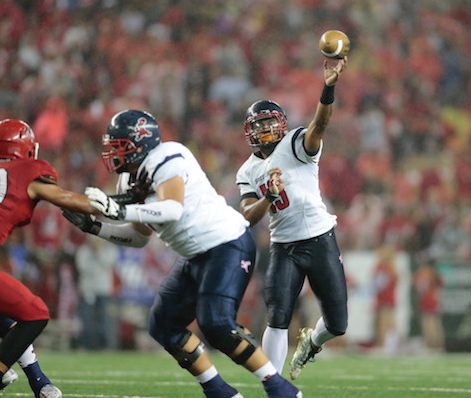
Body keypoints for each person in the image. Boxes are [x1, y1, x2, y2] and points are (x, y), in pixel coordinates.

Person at [62, 109, 302, 398]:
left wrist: (118, 209)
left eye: (120, 145)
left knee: (216, 323)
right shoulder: (128, 182)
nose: (113, 152)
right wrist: (96, 227)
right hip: (194, 255)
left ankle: (281, 389)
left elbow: (172, 208)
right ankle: (218, 390)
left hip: (226, 242)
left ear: (141, 142)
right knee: (163, 325)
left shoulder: (168, 157)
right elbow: (139, 236)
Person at [236, 57, 348, 380]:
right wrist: (268, 197)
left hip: (319, 238)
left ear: (281, 124)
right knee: (278, 315)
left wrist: (329, 86)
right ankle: (274, 386)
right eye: (255, 125)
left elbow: (320, 125)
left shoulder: (295, 142)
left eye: (266, 122)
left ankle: (311, 343)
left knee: (338, 324)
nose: (262, 130)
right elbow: (247, 214)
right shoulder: (247, 170)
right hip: (284, 245)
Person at [0, 118, 97, 397]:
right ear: (27, 149)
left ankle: (38, 381)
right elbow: (62, 197)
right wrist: (115, 205)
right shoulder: (28, 170)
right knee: (35, 313)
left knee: (6, 319)